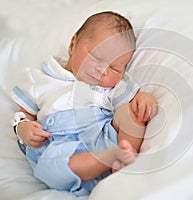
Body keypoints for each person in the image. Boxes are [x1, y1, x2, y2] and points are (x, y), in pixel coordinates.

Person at [10, 11, 157, 196]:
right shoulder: (41, 78)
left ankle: (125, 157)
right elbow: (24, 114)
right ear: (73, 44)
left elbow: (133, 102)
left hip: (102, 136)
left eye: (114, 68)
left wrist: (143, 99)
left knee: (131, 113)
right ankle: (110, 159)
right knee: (50, 167)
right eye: (96, 57)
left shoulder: (115, 87)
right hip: (61, 147)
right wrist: (24, 128)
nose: (102, 70)